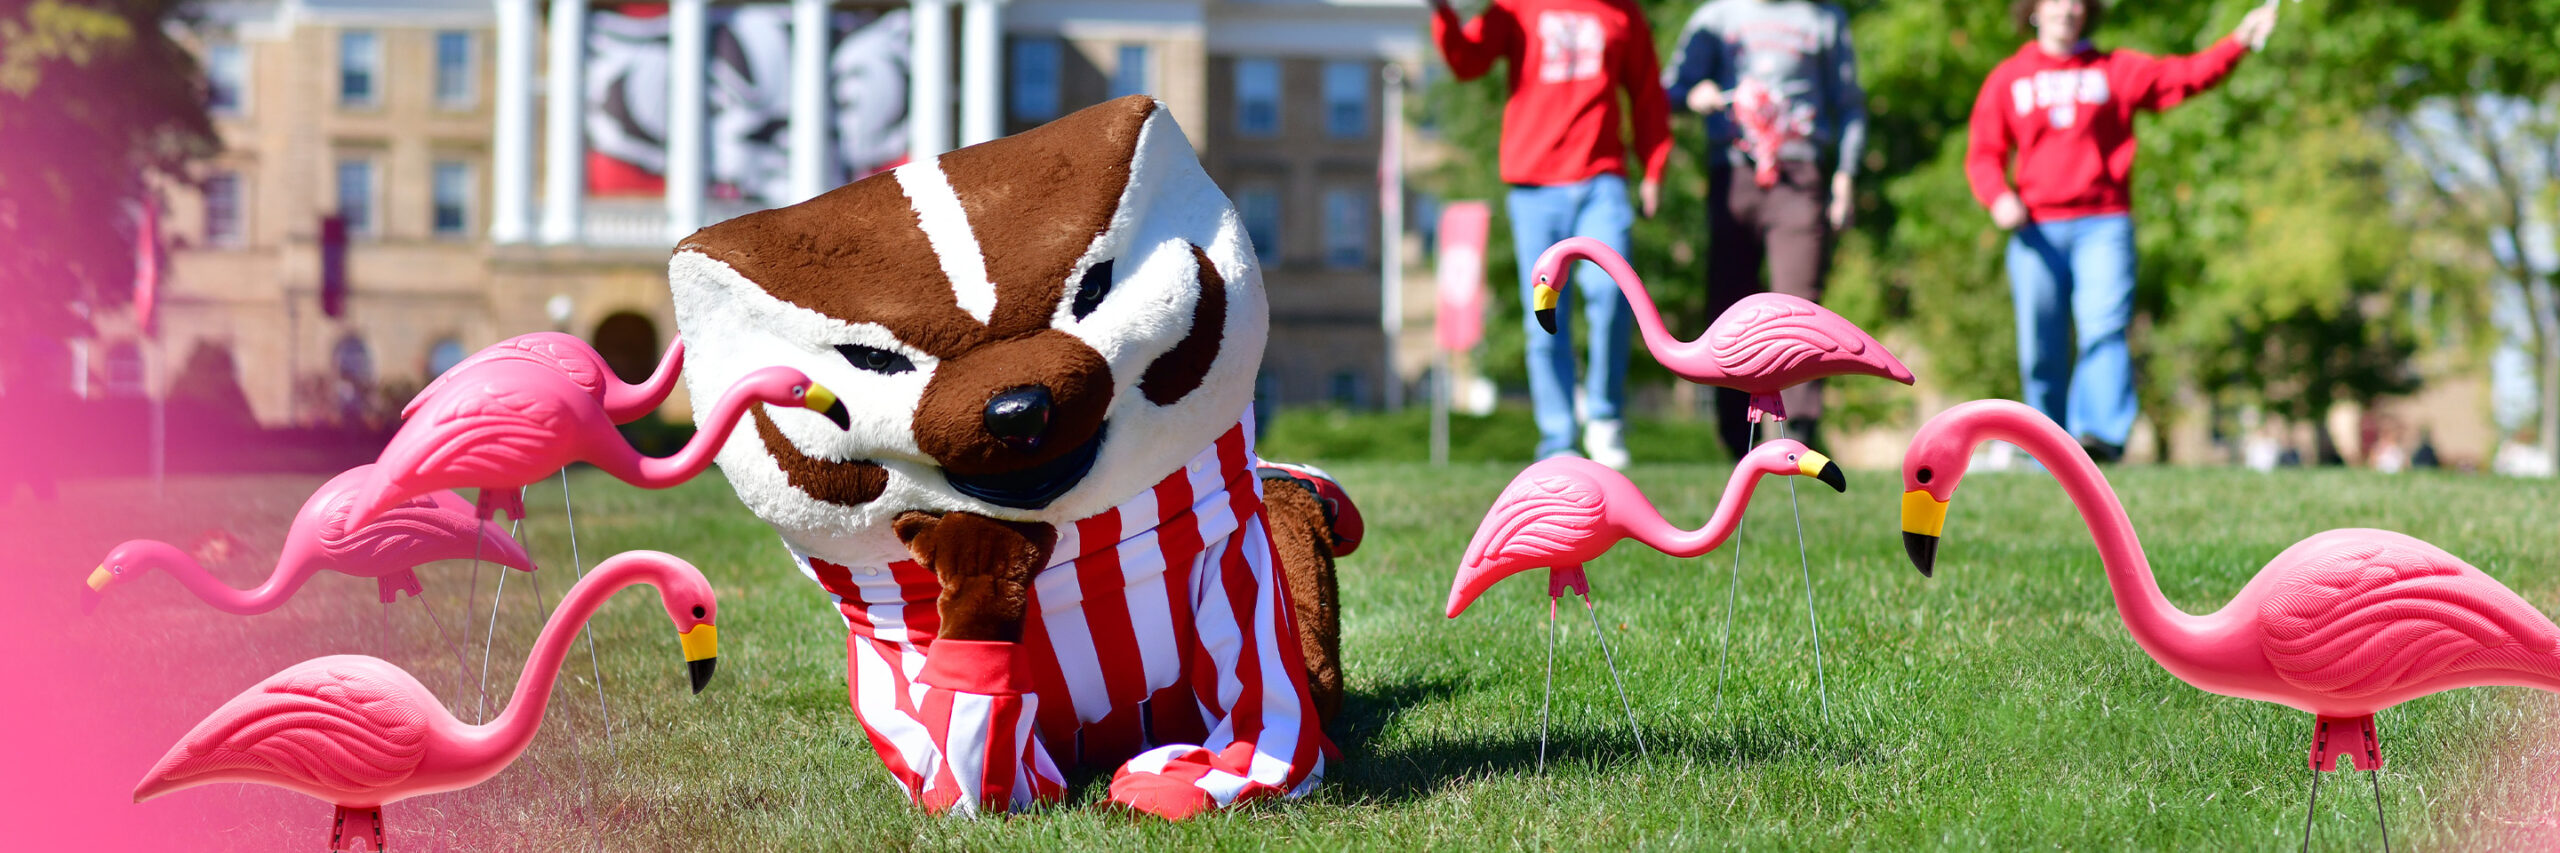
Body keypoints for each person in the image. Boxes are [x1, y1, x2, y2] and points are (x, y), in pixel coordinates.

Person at [1967, 0, 2277, 462]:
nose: (2066, 9)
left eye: (2076, 1)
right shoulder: (2009, 78)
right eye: (2055, 1)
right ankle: (2045, 447)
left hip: (2103, 224)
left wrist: (2239, 42)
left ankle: (2100, 439)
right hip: (2036, 230)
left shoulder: (2115, 69)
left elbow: (2184, 76)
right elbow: (1983, 153)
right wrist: (1998, 197)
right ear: (2033, 10)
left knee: (2104, 330)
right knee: (2040, 345)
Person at [1429, 0, 1672, 469]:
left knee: (1613, 294)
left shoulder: (1622, 13)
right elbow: (1467, 61)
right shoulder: (1515, 7)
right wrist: (1442, 12)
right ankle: (1558, 440)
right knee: (1544, 314)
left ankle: (1604, 418)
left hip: (1602, 182)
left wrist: (1654, 167)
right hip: (1534, 187)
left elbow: (1646, 94)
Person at [1664, 0, 1867, 457]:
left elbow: (1850, 105)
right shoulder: (1716, 16)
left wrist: (1845, 175)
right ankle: (1738, 441)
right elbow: (1669, 90)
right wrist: (1696, 94)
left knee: (1799, 309)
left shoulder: (1822, 18)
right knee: (1729, 310)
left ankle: (1800, 437)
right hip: (1733, 173)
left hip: (1800, 175)